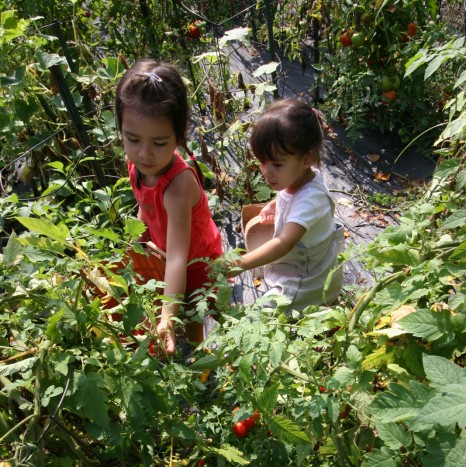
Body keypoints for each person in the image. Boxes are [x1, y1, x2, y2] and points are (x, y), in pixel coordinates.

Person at [115, 59, 223, 354]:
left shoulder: (178, 187)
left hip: (197, 260)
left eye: (160, 143)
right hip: (166, 253)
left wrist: (166, 315)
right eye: (132, 139)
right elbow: (143, 207)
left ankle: (201, 356)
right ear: (120, 129)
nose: (145, 153)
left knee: (194, 311)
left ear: (179, 134)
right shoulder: (136, 165)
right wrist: (137, 240)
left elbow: (179, 258)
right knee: (177, 301)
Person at [231, 98, 344, 312]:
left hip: (306, 279)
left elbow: (284, 243)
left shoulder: (311, 199)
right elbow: (290, 196)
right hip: (292, 265)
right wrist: (275, 204)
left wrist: (240, 264)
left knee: (267, 315)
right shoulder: (296, 178)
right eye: (262, 162)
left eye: (276, 164)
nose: (266, 171)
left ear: (306, 159)